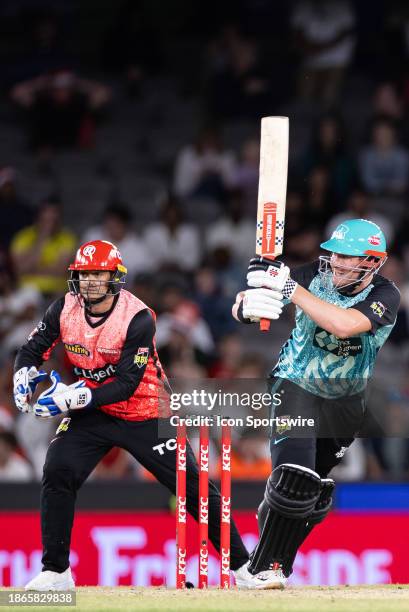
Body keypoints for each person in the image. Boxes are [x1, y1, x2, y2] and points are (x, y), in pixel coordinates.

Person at [13, 239, 278, 591]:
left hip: (146, 410)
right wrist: (23, 373)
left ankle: (243, 568)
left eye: (98, 274)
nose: (90, 281)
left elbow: (124, 384)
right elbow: (32, 349)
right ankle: (56, 572)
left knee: (194, 488)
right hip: (91, 412)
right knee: (58, 470)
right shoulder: (63, 308)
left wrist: (70, 398)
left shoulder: (138, 318)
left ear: (114, 278)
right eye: (84, 274)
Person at [232, 219, 400, 586]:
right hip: (295, 383)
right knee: (295, 477)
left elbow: (343, 325)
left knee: (311, 494)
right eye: (335, 254)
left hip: (346, 402)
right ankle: (262, 570)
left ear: (373, 262)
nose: (336, 262)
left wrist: (289, 287)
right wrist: (245, 305)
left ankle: (272, 564)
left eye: (347, 257)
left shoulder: (386, 296)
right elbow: (248, 300)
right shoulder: (312, 275)